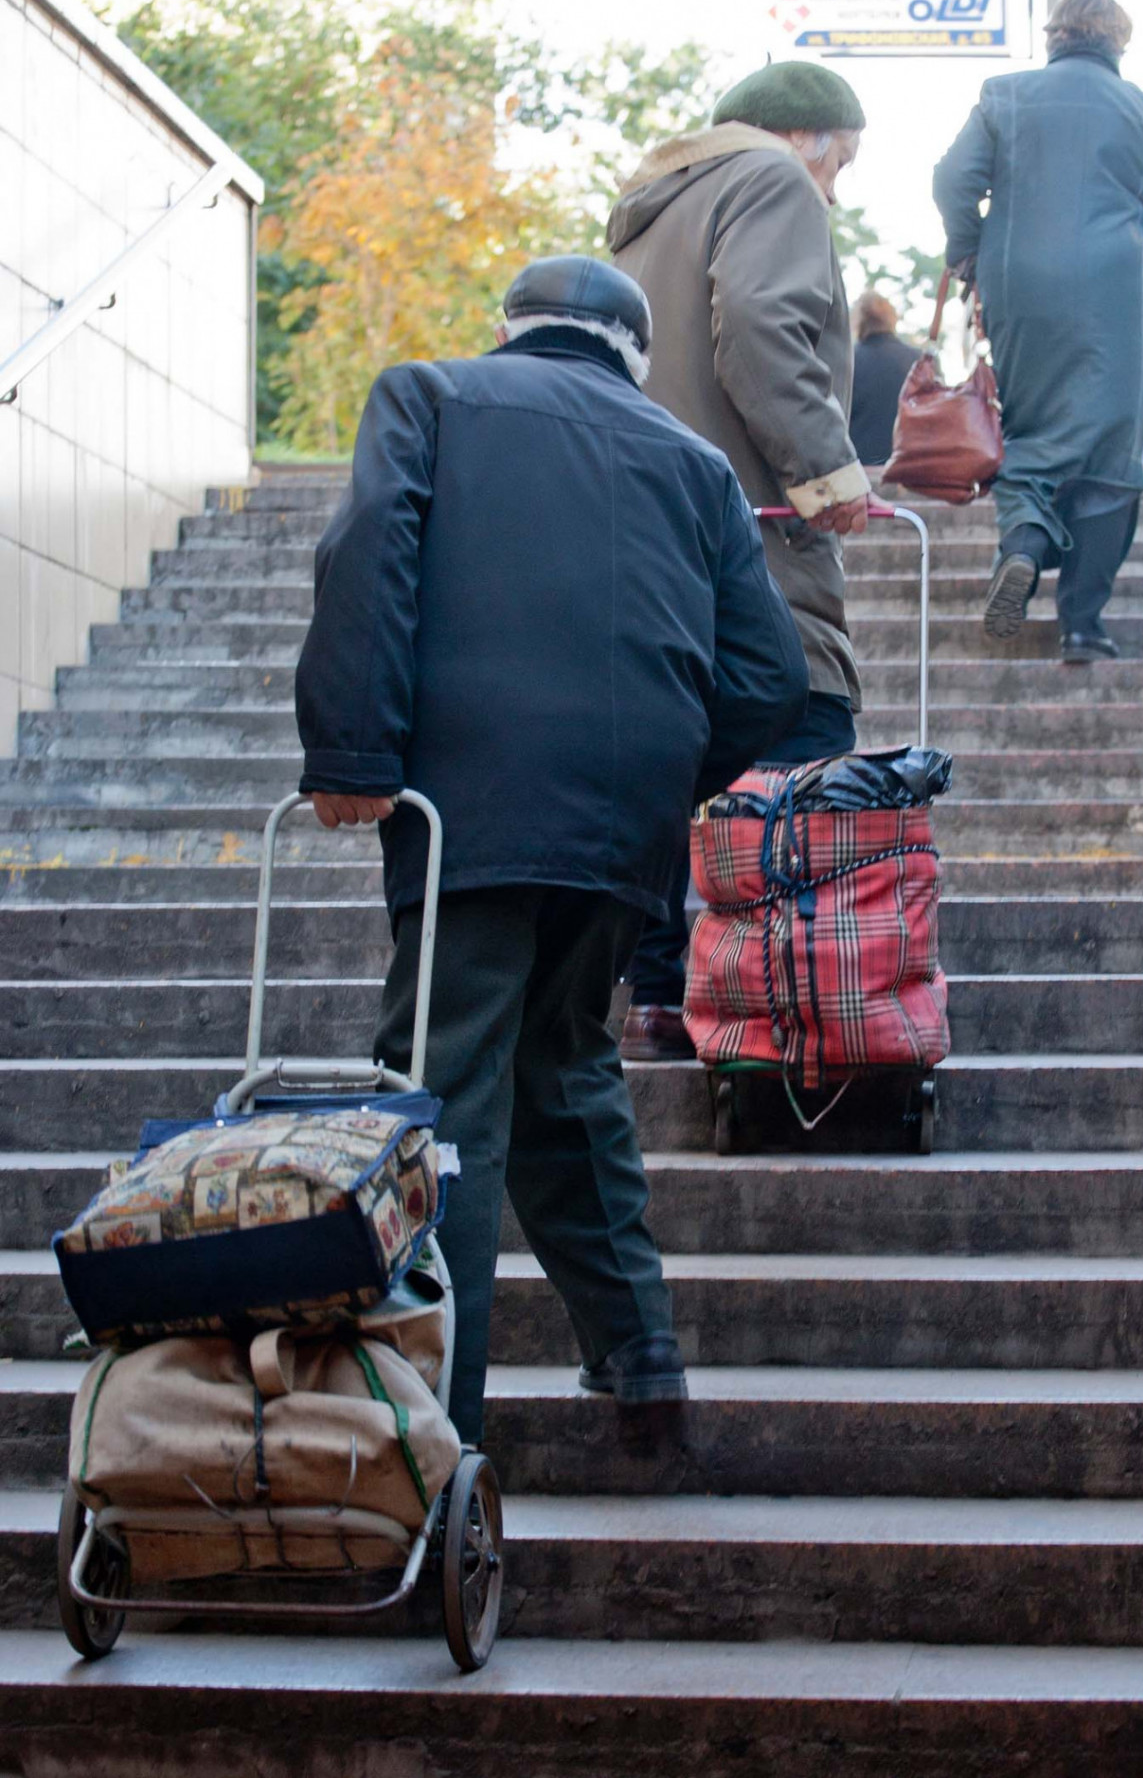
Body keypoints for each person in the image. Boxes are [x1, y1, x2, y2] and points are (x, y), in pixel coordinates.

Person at [293, 256, 808, 1440]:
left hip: (464, 808)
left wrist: (352, 756)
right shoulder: (694, 461)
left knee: (444, 1098)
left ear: (510, 331)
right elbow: (771, 677)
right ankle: (639, 1355)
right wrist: (662, 779)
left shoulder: (429, 395)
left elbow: (366, 549)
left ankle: (431, 1422)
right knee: (567, 1072)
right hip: (621, 825)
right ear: (633, 356)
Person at [607, 59, 870, 1058]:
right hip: (748, 525)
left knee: (676, 755)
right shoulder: (769, 182)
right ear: (804, 137)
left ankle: (669, 991)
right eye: (840, 162)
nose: (835, 190)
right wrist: (829, 474)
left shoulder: (649, 212)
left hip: (643, 534)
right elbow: (760, 327)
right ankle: (773, 999)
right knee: (798, 723)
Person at [933, 0, 1143, 663]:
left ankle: (1024, 545)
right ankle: (1082, 626)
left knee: (1031, 431)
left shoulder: (1004, 94)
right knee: (1112, 457)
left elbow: (951, 179)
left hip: (1020, 282)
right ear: (1119, 43)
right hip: (1120, 291)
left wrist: (970, 250)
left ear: (1055, 37)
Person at [849, 291, 922, 468]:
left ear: (858, 320)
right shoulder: (919, 360)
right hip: (912, 467)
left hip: (861, 471)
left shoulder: (847, 361)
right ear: (891, 318)